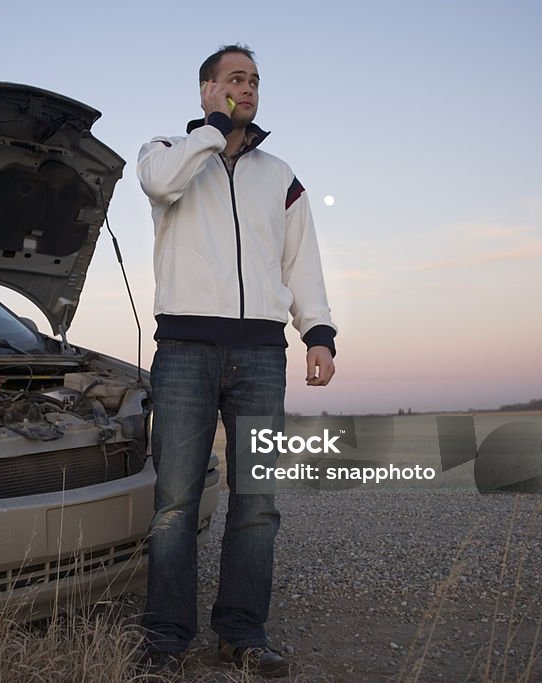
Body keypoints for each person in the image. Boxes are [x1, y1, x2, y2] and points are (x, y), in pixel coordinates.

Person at [136, 44, 337, 677]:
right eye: (233, 79)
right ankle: (166, 640)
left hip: (258, 355)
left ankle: (241, 636)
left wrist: (319, 332)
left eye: (253, 81)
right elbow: (159, 185)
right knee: (175, 502)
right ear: (205, 91)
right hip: (186, 351)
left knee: (256, 503)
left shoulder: (280, 175)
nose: (246, 89)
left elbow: (301, 260)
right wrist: (212, 133)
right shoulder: (166, 153)